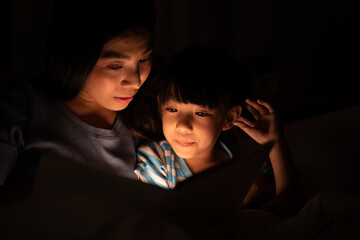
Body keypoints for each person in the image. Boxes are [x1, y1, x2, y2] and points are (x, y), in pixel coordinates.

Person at [134, 45, 304, 218]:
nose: (183, 126)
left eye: (200, 113)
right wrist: (236, 204)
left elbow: (294, 219)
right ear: (160, 107)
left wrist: (275, 143)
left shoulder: (248, 166)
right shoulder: (157, 161)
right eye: (172, 109)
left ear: (228, 118)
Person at [0, 0, 156, 186]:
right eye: (115, 66)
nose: (136, 81)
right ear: (77, 58)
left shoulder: (149, 116)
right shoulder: (23, 105)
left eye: (144, 59)